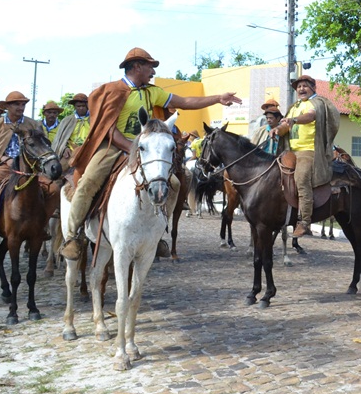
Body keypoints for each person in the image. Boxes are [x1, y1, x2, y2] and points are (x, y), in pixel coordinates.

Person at [61, 47, 242, 260]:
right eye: (150, 67)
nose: (153, 72)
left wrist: (218, 98)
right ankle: (73, 237)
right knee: (87, 183)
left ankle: (157, 234)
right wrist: (131, 147)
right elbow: (108, 128)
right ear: (137, 66)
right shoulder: (113, 91)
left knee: (173, 183)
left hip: (145, 148)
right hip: (113, 146)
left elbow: (184, 102)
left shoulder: (152, 92)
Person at [0, 91, 44, 248]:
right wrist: (6, 159)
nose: (21, 107)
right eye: (17, 104)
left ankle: (42, 225)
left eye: (23, 104)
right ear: (8, 107)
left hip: (30, 168)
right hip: (4, 166)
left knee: (51, 187)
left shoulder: (33, 124)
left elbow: (42, 146)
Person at [272, 75, 340, 239]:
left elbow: (310, 116)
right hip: (290, 151)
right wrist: (277, 130)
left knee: (301, 179)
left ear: (313, 88)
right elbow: (284, 126)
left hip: (309, 151)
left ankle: (304, 221)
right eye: (298, 87)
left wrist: (294, 120)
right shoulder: (294, 106)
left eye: (304, 86)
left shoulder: (316, 104)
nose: (301, 89)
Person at [52, 93, 90, 169]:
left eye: (83, 106)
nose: (81, 108)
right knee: (58, 172)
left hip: (89, 151)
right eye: (78, 106)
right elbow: (60, 140)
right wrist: (64, 148)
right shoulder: (67, 120)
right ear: (74, 107)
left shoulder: (94, 119)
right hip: (71, 152)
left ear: (87, 106)